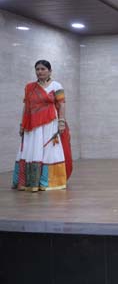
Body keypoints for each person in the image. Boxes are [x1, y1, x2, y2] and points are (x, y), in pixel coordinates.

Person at [13, 60, 73, 192]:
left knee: (50, 151)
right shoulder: (30, 87)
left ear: (50, 71)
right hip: (32, 125)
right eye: (37, 69)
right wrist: (22, 124)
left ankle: (47, 182)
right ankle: (30, 182)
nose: (39, 71)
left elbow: (62, 104)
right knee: (32, 150)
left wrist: (61, 122)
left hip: (49, 123)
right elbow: (26, 106)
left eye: (43, 69)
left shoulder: (56, 85)